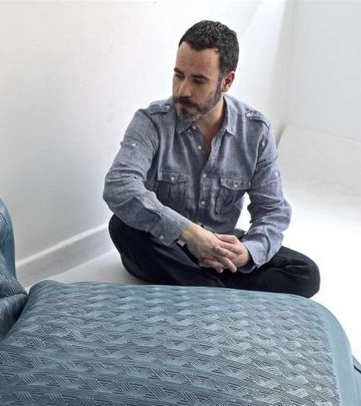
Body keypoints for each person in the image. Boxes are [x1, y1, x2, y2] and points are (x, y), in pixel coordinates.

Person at [103, 20, 320, 298]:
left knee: (304, 273)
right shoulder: (151, 122)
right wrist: (190, 233)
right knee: (122, 227)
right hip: (167, 245)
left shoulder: (255, 131)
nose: (182, 90)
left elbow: (272, 210)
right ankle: (220, 293)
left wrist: (246, 252)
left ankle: (204, 290)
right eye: (178, 75)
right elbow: (119, 186)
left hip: (219, 247)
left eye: (198, 80)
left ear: (226, 81)